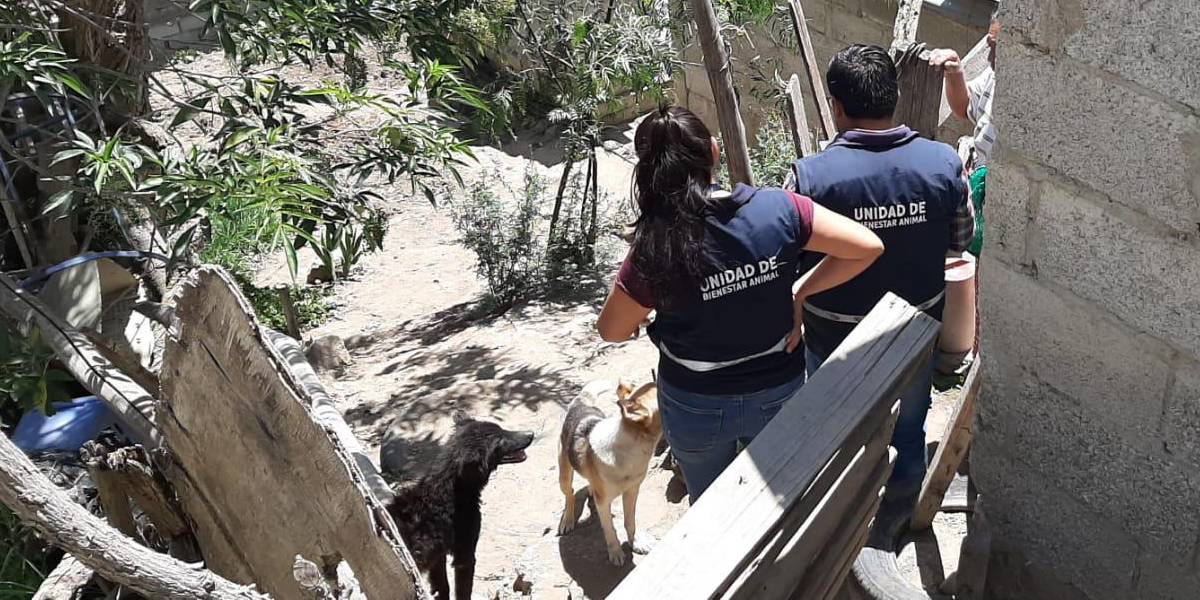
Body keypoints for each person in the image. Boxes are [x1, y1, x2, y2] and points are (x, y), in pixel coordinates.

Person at [596, 106, 884, 501]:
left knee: (709, 503)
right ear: (714, 152)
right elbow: (867, 246)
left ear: (648, 171)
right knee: (778, 492)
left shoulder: (655, 246)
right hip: (777, 387)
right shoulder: (779, 209)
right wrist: (800, 293)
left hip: (694, 403)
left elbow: (611, 330)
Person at [786, 45, 975, 512]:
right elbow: (960, 240)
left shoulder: (808, 179)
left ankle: (841, 515)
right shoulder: (944, 164)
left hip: (834, 336)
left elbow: (790, 262)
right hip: (913, 332)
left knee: (835, 429)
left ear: (837, 106)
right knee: (909, 426)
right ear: (893, 96)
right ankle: (899, 509)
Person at [928, 13, 1000, 257]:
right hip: (981, 186)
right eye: (989, 46)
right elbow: (964, 106)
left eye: (996, 48)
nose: (990, 57)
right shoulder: (993, 74)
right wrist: (956, 72)